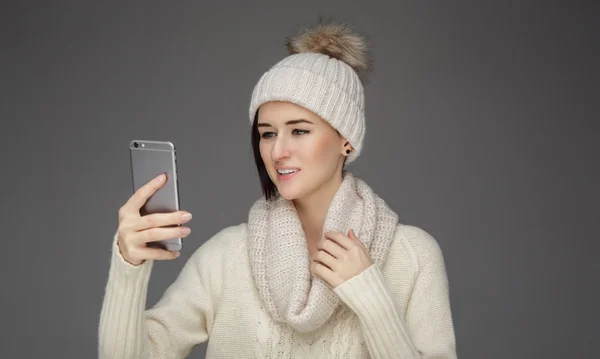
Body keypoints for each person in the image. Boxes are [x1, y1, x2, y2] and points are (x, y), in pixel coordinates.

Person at [99, 20, 457, 359]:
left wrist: (370, 296)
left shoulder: (412, 256)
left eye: (299, 130)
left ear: (346, 140)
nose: (277, 150)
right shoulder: (227, 256)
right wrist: (129, 266)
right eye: (268, 133)